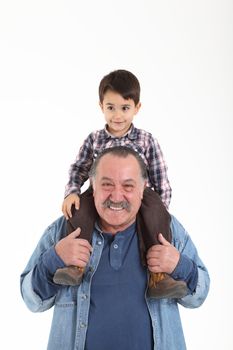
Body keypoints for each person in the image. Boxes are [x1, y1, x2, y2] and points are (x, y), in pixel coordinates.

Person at [20, 146, 210, 350]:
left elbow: (198, 296)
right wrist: (54, 259)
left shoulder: (167, 229)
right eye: (107, 185)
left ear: (143, 188)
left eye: (128, 186)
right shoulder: (64, 229)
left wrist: (179, 265)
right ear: (93, 186)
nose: (117, 196)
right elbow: (32, 300)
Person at [55, 69, 175, 296]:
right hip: (99, 193)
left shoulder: (146, 140)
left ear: (137, 108)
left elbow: (161, 179)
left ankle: (159, 277)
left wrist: (159, 210)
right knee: (79, 211)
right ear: (101, 106)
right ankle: (75, 265)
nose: (117, 115)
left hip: (140, 195)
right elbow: (79, 168)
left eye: (125, 108)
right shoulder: (94, 139)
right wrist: (72, 191)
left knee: (156, 216)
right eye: (111, 108)